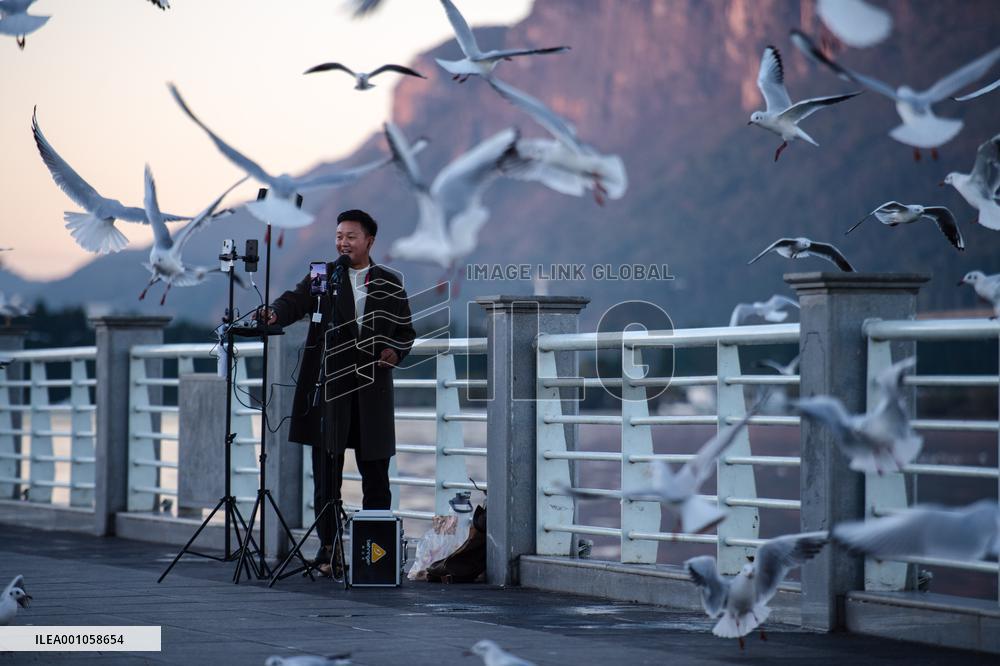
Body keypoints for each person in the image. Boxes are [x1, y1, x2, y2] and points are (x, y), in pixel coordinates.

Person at [257, 209, 415, 577]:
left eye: (351, 237)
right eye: (339, 236)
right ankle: (329, 552)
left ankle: (375, 555)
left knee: (376, 473)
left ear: (370, 241)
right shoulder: (323, 276)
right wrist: (274, 315)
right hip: (329, 388)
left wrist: (395, 350)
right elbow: (294, 301)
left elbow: (405, 331)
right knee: (326, 474)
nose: (343, 242)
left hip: (372, 389)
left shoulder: (390, 282)